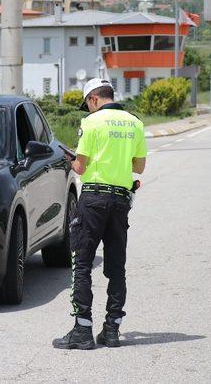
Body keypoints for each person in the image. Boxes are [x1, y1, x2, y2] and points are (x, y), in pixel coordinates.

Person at [53, 78, 147, 350]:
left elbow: (80, 168)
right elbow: (139, 167)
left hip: (94, 198)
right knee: (116, 267)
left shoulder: (91, 123)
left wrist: (70, 159)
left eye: (88, 105)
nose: (88, 109)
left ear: (94, 99)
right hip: (120, 201)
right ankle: (112, 330)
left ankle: (82, 330)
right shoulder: (135, 122)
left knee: (81, 262)